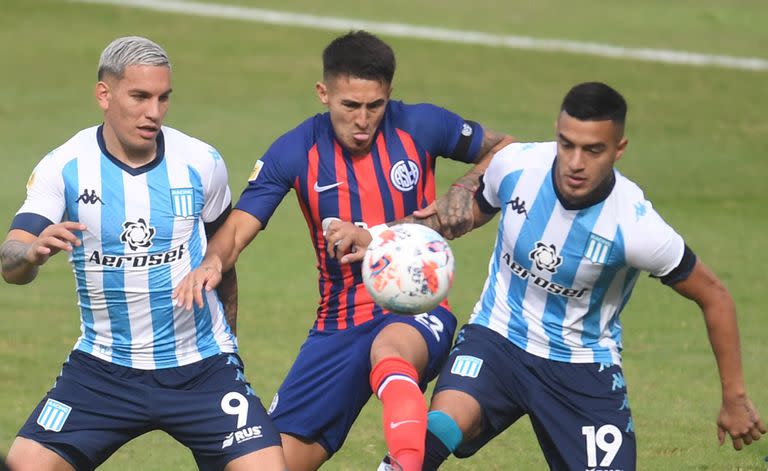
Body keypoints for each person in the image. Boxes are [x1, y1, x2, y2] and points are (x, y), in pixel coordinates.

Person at [327, 82, 766, 470]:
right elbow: (452, 218)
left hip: (582, 368)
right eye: (566, 143)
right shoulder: (518, 167)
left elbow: (715, 296)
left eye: (593, 150)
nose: (575, 162)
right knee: (439, 428)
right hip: (498, 339)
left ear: (619, 149)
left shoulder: (636, 227)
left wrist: (734, 396)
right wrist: (381, 238)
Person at [172, 30, 510, 471]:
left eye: (375, 105)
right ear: (324, 93)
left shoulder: (422, 125)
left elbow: (505, 150)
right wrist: (212, 262)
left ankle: (404, 464)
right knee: (274, 463)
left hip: (414, 306)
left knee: (390, 351)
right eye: (350, 106)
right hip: (338, 324)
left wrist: (444, 210)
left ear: (389, 95)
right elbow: (237, 229)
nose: (363, 119)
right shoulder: (295, 150)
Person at [0, 36, 286, 471]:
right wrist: (31, 255)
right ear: (104, 94)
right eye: (140, 97)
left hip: (201, 367)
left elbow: (222, 252)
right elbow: (10, 261)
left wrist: (229, 345)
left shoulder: (200, 162)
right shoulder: (65, 166)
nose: (154, 112)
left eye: (163, 98)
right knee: (24, 465)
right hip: (102, 372)